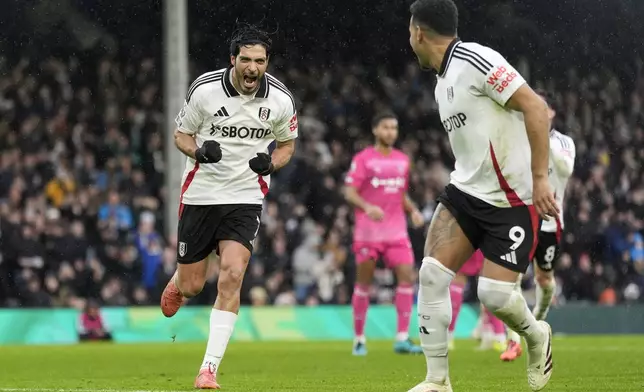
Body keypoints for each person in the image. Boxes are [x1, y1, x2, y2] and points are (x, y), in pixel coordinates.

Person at [406, 0, 559, 391]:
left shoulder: (475, 59)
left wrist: (541, 178)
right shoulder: (442, 82)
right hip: (466, 192)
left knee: (493, 295)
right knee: (431, 274)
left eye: (410, 32)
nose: (409, 40)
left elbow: (535, 108)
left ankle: (536, 334)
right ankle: (437, 382)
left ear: (419, 32)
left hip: (512, 199)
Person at [160, 23, 298, 389]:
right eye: (247, 60)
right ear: (233, 59)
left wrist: (271, 164)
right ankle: (179, 280)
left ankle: (208, 369)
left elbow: (286, 145)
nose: (253, 68)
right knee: (192, 286)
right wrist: (199, 152)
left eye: (261, 61)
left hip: (245, 197)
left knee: (233, 274)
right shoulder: (205, 91)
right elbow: (181, 134)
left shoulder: (280, 100)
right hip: (201, 195)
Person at [501, 91, 576, 362]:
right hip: (519, 218)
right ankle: (512, 341)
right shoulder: (516, 140)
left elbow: (565, 169)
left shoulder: (563, 142)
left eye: (541, 107)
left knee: (544, 279)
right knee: (509, 280)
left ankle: (538, 320)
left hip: (550, 222)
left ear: (551, 112)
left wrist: (541, 137)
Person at [344, 112, 425, 356]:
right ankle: (359, 339)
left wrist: (412, 210)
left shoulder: (403, 160)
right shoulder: (363, 159)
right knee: (364, 284)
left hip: (396, 232)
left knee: (407, 278)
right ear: (376, 130)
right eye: (386, 127)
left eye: (394, 128)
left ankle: (401, 338)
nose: (391, 132)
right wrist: (367, 206)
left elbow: (399, 194)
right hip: (369, 233)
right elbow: (349, 192)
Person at [447, 250, 507, 352]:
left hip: (467, 238)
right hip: (487, 239)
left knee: (459, 278)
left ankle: (447, 338)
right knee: (490, 284)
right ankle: (499, 337)